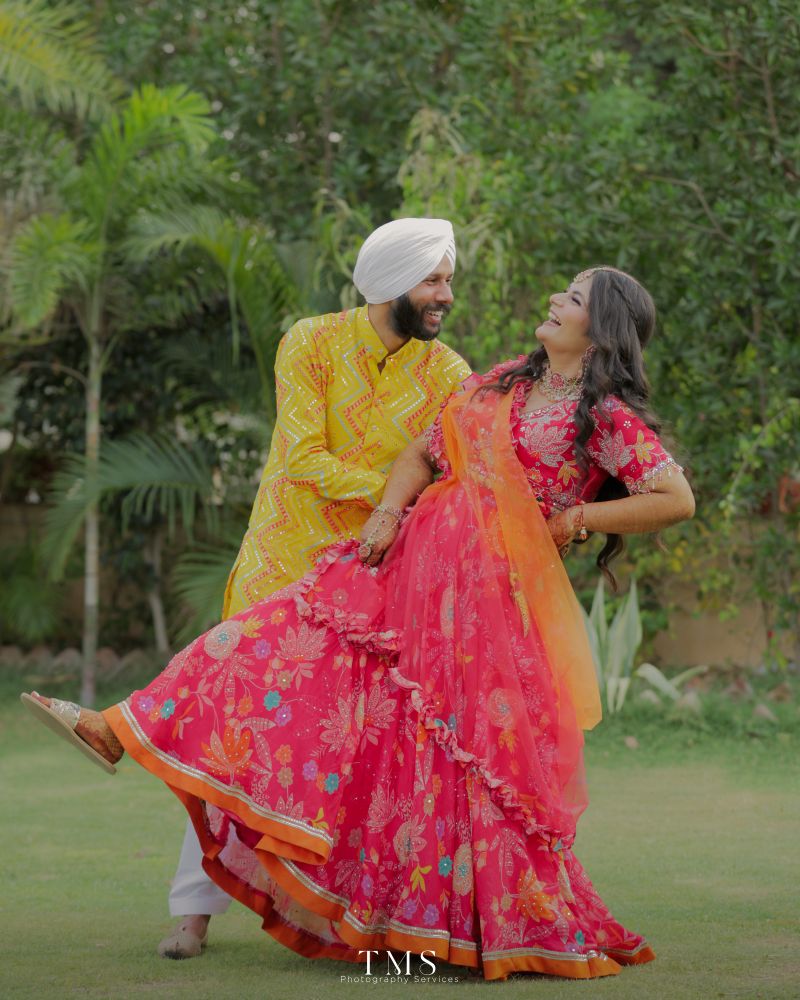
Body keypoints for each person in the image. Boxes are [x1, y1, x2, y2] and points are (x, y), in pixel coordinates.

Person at [23, 266, 695, 981]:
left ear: (603, 327)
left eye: (575, 297)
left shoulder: (604, 415)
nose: (557, 300)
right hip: (405, 565)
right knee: (271, 638)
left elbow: (674, 498)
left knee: (455, 757)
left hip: (489, 603)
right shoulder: (503, 382)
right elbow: (422, 454)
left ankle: (461, 925)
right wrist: (383, 515)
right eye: (562, 290)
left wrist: (574, 519)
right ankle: (117, 727)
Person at [160, 217, 471, 957]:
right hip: (282, 567)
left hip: (368, 589)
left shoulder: (449, 375)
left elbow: (453, 473)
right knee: (232, 739)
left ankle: (332, 913)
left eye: (449, 281)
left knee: (341, 752)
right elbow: (304, 459)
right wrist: (399, 495)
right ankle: (192, 913)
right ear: (393, 282)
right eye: (434, 280)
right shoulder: (312, 341)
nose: (446, 296)